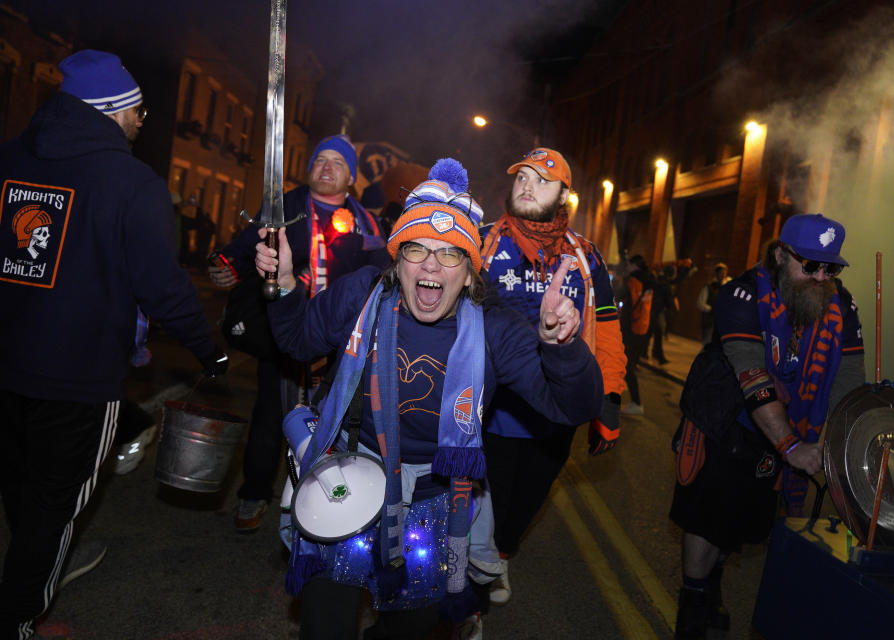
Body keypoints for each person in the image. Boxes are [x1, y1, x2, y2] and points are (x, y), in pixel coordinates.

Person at [255, 158, 603, 639]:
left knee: (409, 632)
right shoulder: (363, 294)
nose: (432, 266)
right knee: (325, 627)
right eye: (417, 249)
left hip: (433, 503)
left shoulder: (495, 327)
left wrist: (562, 348)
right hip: (349, 478)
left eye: (451, 254)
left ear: (469, 271)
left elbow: (575, 408)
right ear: (397, 259)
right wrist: (286, 286)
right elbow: (296, 340)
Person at [0, 49, 227, 639]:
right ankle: (18, 616)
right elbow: (162, 287)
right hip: (79, 379)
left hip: (6, 365)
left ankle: (35, 565)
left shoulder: (8, 159)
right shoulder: (132, 183)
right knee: (55, 503)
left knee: (24, 488)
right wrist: (212, 350)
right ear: (113, 110)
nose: (138, 124)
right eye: (138, 113)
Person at [669, 214, 865, 639]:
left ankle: (712, 581)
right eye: (809, 264)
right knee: (707, 518)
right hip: (726, 415)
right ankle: (692, 601)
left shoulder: (839, 302)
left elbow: (850, 379)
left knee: (742, 524)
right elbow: (752, 377)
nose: (820, 276)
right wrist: (792, 448)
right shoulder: (740, 295)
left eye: (830, 268)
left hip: (785, 424)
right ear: (780, 254)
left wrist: (844, 444)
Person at [208, 134, 390, 532]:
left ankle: (334, 499)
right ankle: (255, 492)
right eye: (320, 160)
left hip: (344, 341)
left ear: (351, 177)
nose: (326, 167)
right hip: (287, 328)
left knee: (339, 417)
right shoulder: (285, 205)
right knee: (274, 411)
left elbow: (383, 269)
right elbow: (246, 245)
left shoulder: (366, 220)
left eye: (337, 163)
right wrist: (224, 262)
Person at [477, 147, 627, 604]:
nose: (526, 185)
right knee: (487, 502)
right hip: (491, 410)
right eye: (521, 176)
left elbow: (608, 332)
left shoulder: (586, 256)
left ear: (564, 193)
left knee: (527, 500)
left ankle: (500, 555)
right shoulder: (479, 242)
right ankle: (471, 592)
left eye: (541, 180)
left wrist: (610, 399)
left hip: (557, 411)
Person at [620, 254, 655, 415]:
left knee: (627, 364)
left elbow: (628, 305)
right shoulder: (649, 280)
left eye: (629, 264)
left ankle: (636, 403)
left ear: (635, 266)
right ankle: (626, 388)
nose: (627, 266)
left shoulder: (633, 281)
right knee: (630, 363)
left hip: (631, 327)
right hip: (643, 326)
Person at [696, 262, 730, 344]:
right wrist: (711, 308)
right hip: (710, 321)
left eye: (725, 273)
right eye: (721, 273)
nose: (723, 275)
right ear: (717, 273)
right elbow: (700, 303)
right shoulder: (709, 287)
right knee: (707, 345)